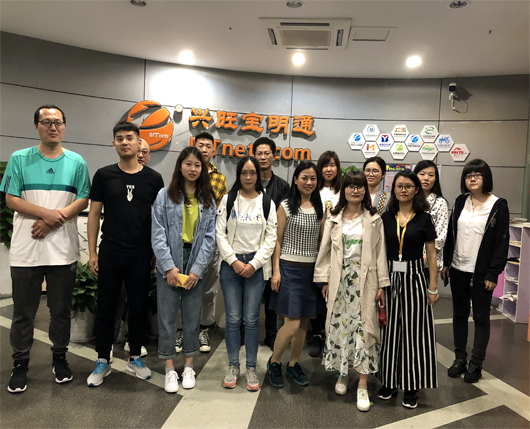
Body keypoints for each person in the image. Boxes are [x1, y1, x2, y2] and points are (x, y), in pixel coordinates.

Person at [1, 105, 91, 394]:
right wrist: (47, 215)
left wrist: (53, 220)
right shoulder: (19, 158)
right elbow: (11, 199)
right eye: (46, 122)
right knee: (23, 313)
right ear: (36, 126)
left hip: (62, 251)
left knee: (61, 310)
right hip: (26, 251)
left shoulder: (76, 162)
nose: (53, 127)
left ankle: (60, 358)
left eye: (58, 122)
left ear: (65, 126)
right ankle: (20, 364)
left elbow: (83, 199)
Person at [86, 121, 164, 387]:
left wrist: (156, 250)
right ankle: (102, 360)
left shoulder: (154, 178)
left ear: (139, 142)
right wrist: (92, 252)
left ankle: (135, 357)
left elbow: (160, 219)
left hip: (141, 253)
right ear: (114, 144)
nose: (124, 142)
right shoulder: (104, 175)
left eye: (129, 137)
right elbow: (94, 214)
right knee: (106, 307)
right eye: (119, 138)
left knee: (138, 307)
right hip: (110, 250)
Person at [314, 172, 389, 411]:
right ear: (344, 190)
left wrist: (381, 285)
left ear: (365, 190)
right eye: (350, 186)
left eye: (359, 187)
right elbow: (325, 251)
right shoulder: (334, 218)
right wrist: (325, 280)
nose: (355, 190)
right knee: (341, 328)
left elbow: (380, 253)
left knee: (364, 330)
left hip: (366, 281)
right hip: (340, 278)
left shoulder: (374, 219)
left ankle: (363, 384)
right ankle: (343, 373)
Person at [151, 146, 216, 393]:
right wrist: (168, 267)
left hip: (195, 261)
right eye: (188, 163)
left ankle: (189, 366)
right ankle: (169, 368)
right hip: (170, 260)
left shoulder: (208, 199)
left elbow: (210, 238)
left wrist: (197, 270)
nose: (192, 169)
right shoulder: (164, 195)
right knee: (167, 317)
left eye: (197, 165)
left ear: (203, 169)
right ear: (180, 166)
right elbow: (158, 234)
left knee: (192, 317)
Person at [442, 159, 509, 383]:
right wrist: (446, 263)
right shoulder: (460, 201)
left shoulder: (498, 205)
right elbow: (451, 234)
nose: (472, 178)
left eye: (477, 175)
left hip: (481, 272)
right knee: (459, 315)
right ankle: (460, 358)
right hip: (458, 268)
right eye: (468, 175)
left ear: (485, 178)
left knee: (481, 317)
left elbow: (501, 242)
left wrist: (493, 272)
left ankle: (476, 362)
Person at [378, 170, 439, 409]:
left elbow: (432, 256)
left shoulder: (425, 219)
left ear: (416, 190)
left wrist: (433, 287)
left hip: (415, 277)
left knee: (414, 334)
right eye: (399, 186)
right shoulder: (385, 217)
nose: (403, 190)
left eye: (408, 186)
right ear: (393, 190)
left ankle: (411, 386)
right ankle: (388, 381)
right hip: (389, 276)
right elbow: (379, 251)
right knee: (389, 331)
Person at [216, 156, 278, 391]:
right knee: (233, 319)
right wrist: (233, 261)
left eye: (253, 173)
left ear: (258, 175)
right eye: (244, 173)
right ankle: (233, 366)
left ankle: (251, 368)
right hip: (231, 266)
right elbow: (220, 233)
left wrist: (254, 264)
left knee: (251, 320)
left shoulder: (267, 202)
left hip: (256, 267)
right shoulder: (228, 199)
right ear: (239, 175)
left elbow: (271, 238)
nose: (249, 177)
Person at [267, 162, 324, 388]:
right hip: (289, 268)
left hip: (311, 272)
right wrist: (276, 271)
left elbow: (320, 243)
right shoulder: (286, 206)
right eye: (304, 178)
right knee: (291, 324)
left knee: (302, 325)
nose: (309, 182)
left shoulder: (320, 208)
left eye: (313, 178)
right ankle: (274, 362)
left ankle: (293, 364)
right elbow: (277, 240)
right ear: (295, 179)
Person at [112, 137, 152, 361]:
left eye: (145, 152)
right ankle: (108, 342)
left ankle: (134, 340)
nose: (141, 155)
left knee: (138, 300)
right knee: (115, 299)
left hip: (142, 251)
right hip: (115, 251)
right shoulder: (112, 176)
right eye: (139, 150)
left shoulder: (153, 180)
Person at [188, 131, 227, 354]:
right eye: (200, 145)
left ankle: (203, 329)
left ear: (214, 151)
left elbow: (222, 213)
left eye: (208, 146)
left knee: (209, 289)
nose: (204, 149)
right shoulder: (185, 173)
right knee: (184, 287)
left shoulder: (219, 179)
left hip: (210, 242)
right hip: (185, 242)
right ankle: (183, 330)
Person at [253, 137, 290, 351]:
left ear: (274, 156)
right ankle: (245, 335)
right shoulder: (247, 182)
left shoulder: (283, 187)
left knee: (272, 295)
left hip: (275, 249)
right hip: (250, 248)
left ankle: (272, 335)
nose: (263, 157)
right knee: (250, 296)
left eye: (267, 153)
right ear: (254, 156)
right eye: (259, 153)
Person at [308, 150, 342, 358]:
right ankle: (317, 334)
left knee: (332, 290)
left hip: (336, 249)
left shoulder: (343, 190)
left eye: (332, 165)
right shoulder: (313, 189)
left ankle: (333, 334)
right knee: (316, 291)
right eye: (325, 165)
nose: (329, 169)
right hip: (314, 247)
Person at [413, 161, 449, 273]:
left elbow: (441, 235)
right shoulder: (408, 200)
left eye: (431, 175)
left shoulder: (440, 202)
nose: (426, 178)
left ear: (436, 179)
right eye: (422, 174)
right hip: (407, 258)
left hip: (429, 263)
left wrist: (425, 257)